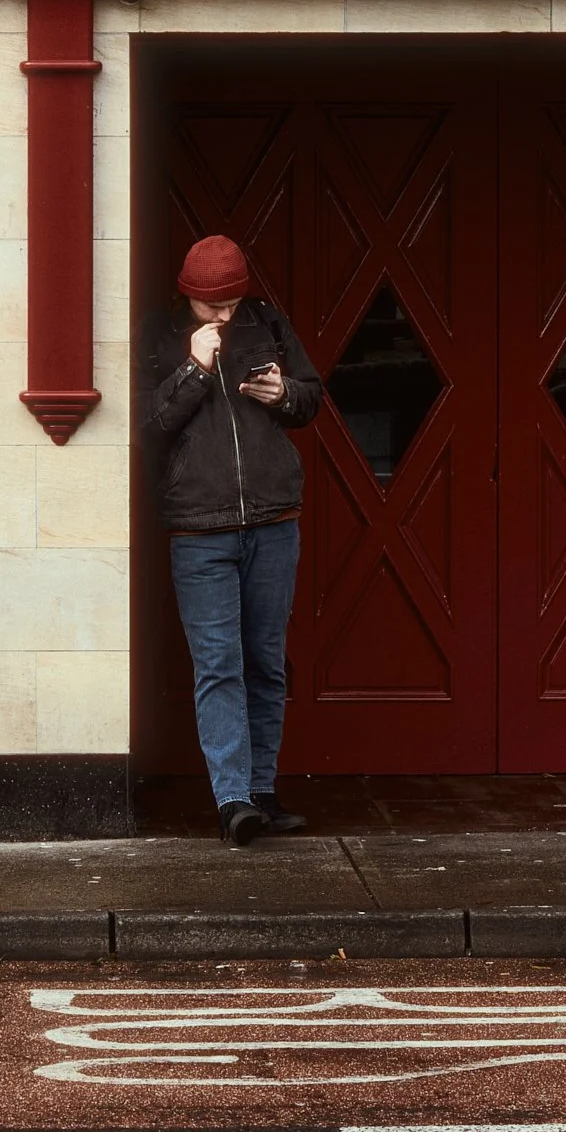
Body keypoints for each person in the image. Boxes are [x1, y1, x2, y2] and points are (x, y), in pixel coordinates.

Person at [144, 231, 324, 844]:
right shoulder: (160, 335)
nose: (224, 315)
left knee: (266, 663)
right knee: (218, 665)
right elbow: (150, 424)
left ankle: (264, 792)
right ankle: (232, 800)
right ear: (187, 294)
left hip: (273, 520)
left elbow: (310, 396)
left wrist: (286, 394)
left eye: (231, 304)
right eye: (211, 306)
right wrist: (196, 367)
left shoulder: (266, 321)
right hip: (198, 527)